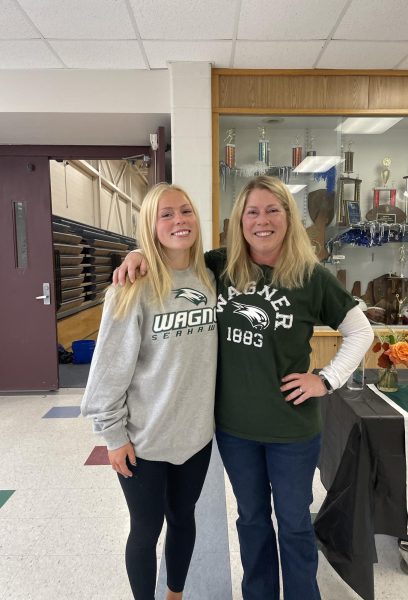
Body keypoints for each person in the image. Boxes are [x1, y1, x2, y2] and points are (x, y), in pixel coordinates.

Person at [114, 175, 374, 600]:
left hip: (292, 430)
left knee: (293, 523)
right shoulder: (218, 265)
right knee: (251, 520)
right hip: (235, 430)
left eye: (273, 210)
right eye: (252, 212)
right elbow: (175, 254)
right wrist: (140, 251)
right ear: (239, 221)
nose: (262, 220)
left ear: (289, 218)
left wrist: (325, 379)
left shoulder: (310, 276)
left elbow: (361, 331)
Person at [81, 183, 217, 600]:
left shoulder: (211, 277)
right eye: (166, 214)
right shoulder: (131, 287)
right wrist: (113, 437)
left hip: (195, 437)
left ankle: (174, 595)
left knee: (183, 518)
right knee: (145, 529)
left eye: (186, 211)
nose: (179, 221)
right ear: (150, 226)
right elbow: (108, 370)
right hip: (142, 440)